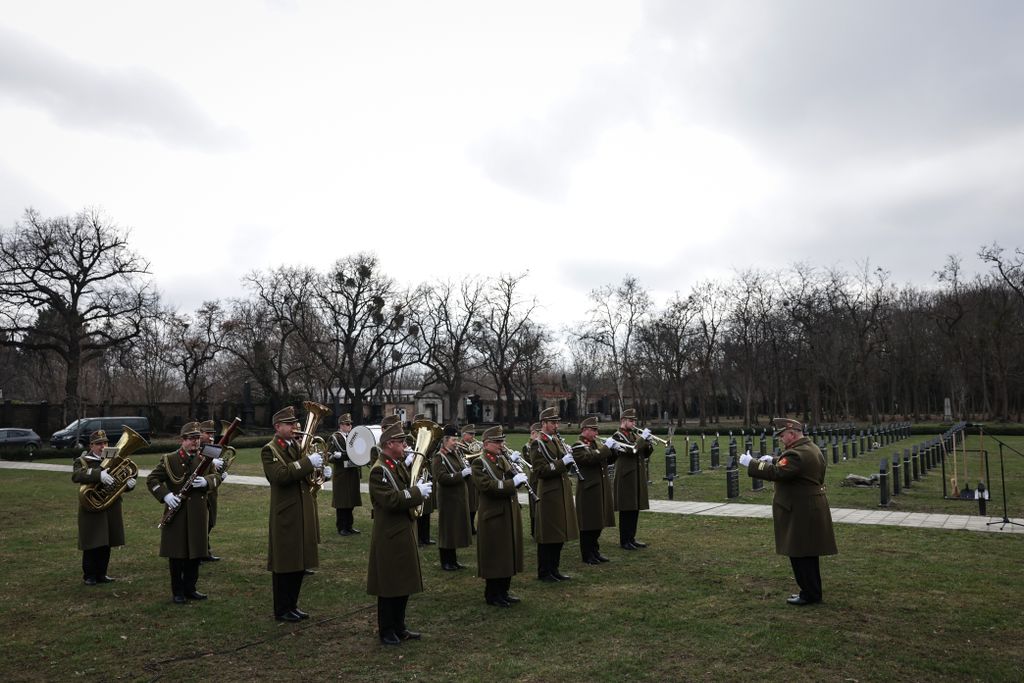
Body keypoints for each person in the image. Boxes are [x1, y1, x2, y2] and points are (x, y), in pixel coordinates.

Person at [741, 417, 838, 606]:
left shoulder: (797, 454)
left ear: (792, 434)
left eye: (782, 435)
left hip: (801, 510)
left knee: (799, 553)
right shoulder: (809, 448)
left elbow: (778, 473)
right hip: (809, 507)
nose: (781, 439)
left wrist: (752, 463)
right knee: (808, 553)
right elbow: (794, 466)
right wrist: (775, 459)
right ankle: (812, 591)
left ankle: (809, 594)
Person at [261, 406, 331, 622]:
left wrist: (323, 474)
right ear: (277, 427)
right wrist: (308, 463)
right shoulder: (270, 450)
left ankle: (292, 605)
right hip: (286, 513)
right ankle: (281, 609)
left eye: (295, 423)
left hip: (303, 509)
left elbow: (307, 477)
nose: (295, 427)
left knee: (300, 561)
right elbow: (280, 476)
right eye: (289, 424)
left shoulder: (297, 446)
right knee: (285, 563)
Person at [367, 422, 430, 645]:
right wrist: (416, 492)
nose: (405, 445)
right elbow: (390, 500)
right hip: (389, 534)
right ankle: (387, 630)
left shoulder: (395, 464)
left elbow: (405, 488)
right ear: (389, 444)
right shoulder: (379, 470)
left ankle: (400, 626)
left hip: (402, 530)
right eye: (401, 442)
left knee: (402, 581)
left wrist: (418, 486)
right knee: (389, 584)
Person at [147, 422, 222, 604]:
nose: (195, 442)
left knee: (195, 554)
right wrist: (166, 496)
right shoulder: (170, 459)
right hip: (178, 513)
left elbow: (217, 476)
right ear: (182, 440)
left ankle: (191, 588)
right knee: (177, 555)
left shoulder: (206, 457)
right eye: (191, 439)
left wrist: (206, 482)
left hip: (198, 512)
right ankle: (178, 591)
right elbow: (152, 479)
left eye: (197, 438)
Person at [471, 426, 526, 607]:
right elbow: (487, 486)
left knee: (507, 553)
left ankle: (504, 591)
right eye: (497, 442)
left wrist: (517, 474)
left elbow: (510, 476)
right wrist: (512, 483)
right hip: (493, 515)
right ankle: (493, 594)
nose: (501, 445)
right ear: (486, 444)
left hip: (507, 512)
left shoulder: (501, 459)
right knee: (495, 556)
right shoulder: (480, 463)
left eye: (502, 441)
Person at [71, 429, 135, 585]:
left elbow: (124, 473)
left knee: (106, 542)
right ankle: (89, 575)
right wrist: (98, 474)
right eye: (99, 444)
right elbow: (76, 475)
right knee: (92, 543)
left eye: (105, 443)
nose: (103, 446)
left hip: (111, 506)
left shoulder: (112, 456)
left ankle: (101, 574)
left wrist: (128, 484)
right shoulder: (83, 460)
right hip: (92, 507)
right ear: (91, 445)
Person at [528, 407, 579, 582]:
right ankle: (544, 571)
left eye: (557, 422)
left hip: (561, 489)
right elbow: (540, 470)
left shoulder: (556, 440)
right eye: (553, 422)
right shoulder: (538, 443)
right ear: (544, 424)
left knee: (558, 533)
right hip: (549, 492)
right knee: (548, 534)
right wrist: (561, 463)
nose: (556, 425)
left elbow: (562, 464)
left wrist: (569, 460)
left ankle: (554, 569)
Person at [572, 417, 616, 565]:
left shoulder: (596, 444)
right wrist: (605, 449)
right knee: (588, 524)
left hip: (600, 487)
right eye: (594, 430)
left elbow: (606, 460)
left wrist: (613, 450)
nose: (596, 432)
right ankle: (587, 554)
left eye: (597, 429)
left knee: (598, 522)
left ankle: (595, 551)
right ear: (584, 430)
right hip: (588, 489)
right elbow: (589, 459)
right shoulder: (578, 445)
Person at [431, 423, 473, 570]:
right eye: (453, 440)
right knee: (447, 530)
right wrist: (461, 474)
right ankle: (446, 561)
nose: (456, 443)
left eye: (456, 440)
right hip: (447, 498)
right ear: (445, 440)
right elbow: (441, 478)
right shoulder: (439, 457)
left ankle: (453, 560)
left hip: (457, 497)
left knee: (454, 529)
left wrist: (466, 471)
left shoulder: (455, 454)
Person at [610, 409, 651, 550]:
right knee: (626, 509)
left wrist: (648, 443)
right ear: (623, 421)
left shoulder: (634, 435)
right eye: (631, 421)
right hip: (626, 476)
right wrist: (642, 439)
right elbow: (631, 450)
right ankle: (624, 540)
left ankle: (632, 538)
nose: (634, 423)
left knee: (635, 508)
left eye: (634, 421)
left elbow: (643, 453)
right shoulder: (618, 436)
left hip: (636, 475)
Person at [330, 413, 362, 536]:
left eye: (350, 424)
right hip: (342, 473)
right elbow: (330, 456)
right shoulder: (335, 438)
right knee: (342, 501)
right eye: (347, 424)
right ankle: (341, 527)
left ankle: (349, 526)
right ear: (341, 425)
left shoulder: (351, 437)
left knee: (351, 501)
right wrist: (337, 456)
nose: (350, 426)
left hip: (352, 472)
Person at [199, 420, 224, 562]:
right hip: (199, 492)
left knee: (210, 522)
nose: (211, 436)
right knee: (201, 523)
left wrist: (221, 475)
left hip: (210, 491)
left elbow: (213, 472)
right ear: (200, 433)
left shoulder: (211, 447)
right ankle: (200, 552)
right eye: (208, 433)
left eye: (212, 433)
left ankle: (205, 551)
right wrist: (211, 461)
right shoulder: (196, 448)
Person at [459, 424, 481, 532]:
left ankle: (471, 524)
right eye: (470, 434)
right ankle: (466, 525)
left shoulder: (475, 444)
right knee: (468, 502)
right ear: (464, 435)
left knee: (474, 502)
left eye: (474, 434)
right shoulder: (459, 445)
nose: (473, 436)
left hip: (475, 475)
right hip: (465, 476)